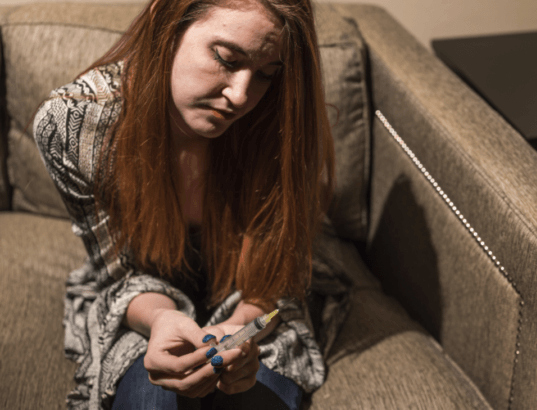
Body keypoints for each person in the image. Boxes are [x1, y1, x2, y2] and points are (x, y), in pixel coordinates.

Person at [33, 0, 344, 408]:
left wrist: (237, 331)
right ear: (168, 24)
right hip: (139, 297)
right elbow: (118, 271)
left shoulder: (279, 117)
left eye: (267, 75)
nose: (241, 96)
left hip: (248, 293)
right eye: (227, 59)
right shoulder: (74, 126)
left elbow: (271, 275)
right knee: (152, 399)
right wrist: (162, 318)